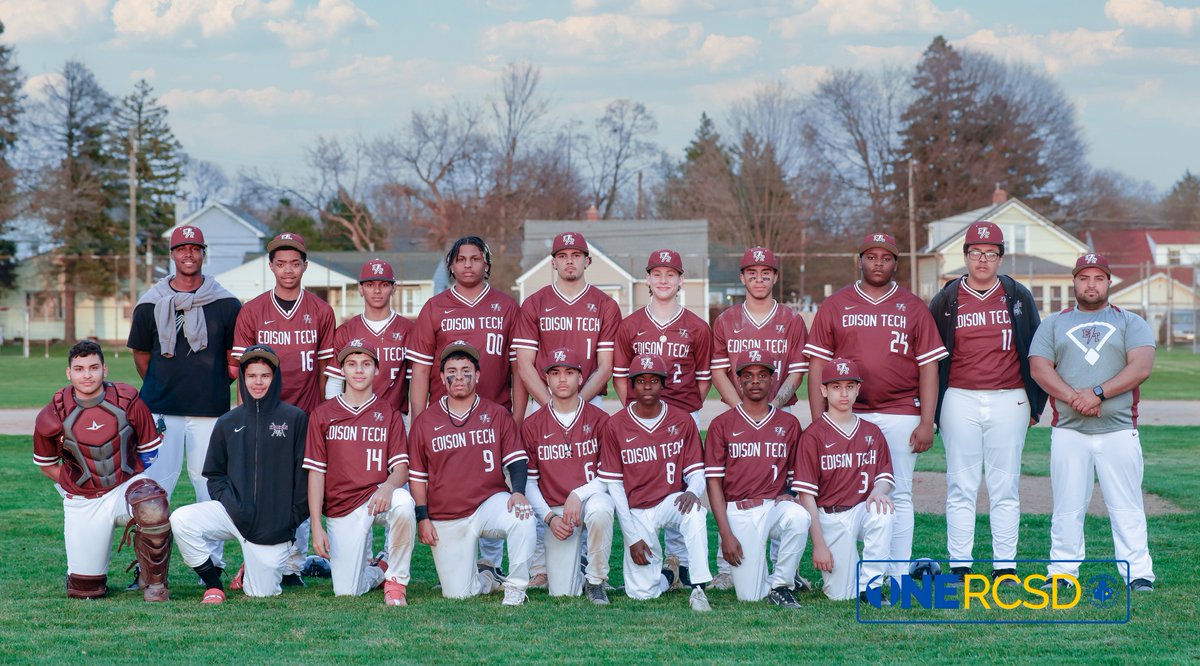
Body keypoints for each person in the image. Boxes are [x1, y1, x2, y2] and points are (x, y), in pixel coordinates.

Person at [804, 232, 947, 582]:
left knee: (897, 491)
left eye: (885, 257)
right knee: (846, 492)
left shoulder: (913, 306)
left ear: (895, 263)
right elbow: (816, 367)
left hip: (901, 411)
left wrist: (927, 421)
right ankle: (860, 571)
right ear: (860, 261)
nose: (878, 263)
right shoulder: (836, 305)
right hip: (849, 414)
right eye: (871, 257)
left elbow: (929, 366)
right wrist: (818, 421)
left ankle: (894, 573)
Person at [1029, 253, 1156, 593]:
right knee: (1067, 506)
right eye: (1084, 278)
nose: (1091, 284)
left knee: (1126, 505)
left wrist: (1097, 393)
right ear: (1074, 281)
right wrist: (1076, 399)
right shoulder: (1053, 323)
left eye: (1098, 278)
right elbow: (1040, 368)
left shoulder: (1131, 321)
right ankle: (1062, 572)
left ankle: (1138, 573)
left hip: (1119, 430)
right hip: (1069, 431)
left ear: (1109, 282)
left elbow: (1141, 366)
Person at [929, 221, 1046, 583]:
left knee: (1005, 486)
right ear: (965, 256)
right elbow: (931, 357)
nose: (982, 260)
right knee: (961, 485)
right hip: (959, 398)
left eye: (990, 254)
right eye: (976, 253)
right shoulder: (947, 298)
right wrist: (932, 409)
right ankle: (961, 565)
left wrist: (1034, 404)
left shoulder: (1017, 295)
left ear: (1000, 258)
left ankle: (1004, 567)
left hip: (1009, 397)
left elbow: (1036, 349)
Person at [406, 236, 524, 580]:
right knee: (454, 484)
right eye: (461, 259)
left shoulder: (505, 306)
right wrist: (418, 418)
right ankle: (465, 557)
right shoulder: (435, 307)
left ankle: (490, 562)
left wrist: (515, 417)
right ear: (451, 266)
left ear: (487, 264)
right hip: (446, 416)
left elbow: (518, 368)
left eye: (475, 258)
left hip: (495, 412)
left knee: (495, 484)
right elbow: (421, 370)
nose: (468, 264)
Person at [231, 232, 336, 582]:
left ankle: (295, 561)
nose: (288, 270)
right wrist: (245, 419)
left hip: (305, 413)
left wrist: (324, 414)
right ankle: (265, 556)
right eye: (281, 264)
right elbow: (243, 372)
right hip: (263, 413)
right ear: (271, 266)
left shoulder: (321, 310)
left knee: (302, 485)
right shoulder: (252, 311)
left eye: (295, 263)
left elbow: (325, 371)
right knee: (263, 484)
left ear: (305, 266)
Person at [169, 345, 308, 604]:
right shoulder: (228, 422)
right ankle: (213, 583)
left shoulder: (295, 419)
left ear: (275, 378)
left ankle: (248, 571)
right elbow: (214, 473)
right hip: (233, 514)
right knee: (182, 520)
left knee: (261, 593)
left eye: (264, 375)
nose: (258, 382)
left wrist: (290, 519)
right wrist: (233, 505)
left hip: (274, 526)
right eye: (251, 375)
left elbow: (306, 477)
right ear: (243, 379)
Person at [34, 340, 171, 601]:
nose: (87, 375)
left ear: (104, 370)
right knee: (86, 591)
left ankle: (154, 582)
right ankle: (88, 577)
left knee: (151, 503)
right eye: (80, 368)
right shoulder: (53, 412)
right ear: (69, 373)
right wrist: (72, 482)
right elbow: (45, 462)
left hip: (123, 487)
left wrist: (135, 479)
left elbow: (149, 449)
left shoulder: (127, 399)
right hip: (84, 500)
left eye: (93, 367)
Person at [613, 249, 712, 589]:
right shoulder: (631, 326)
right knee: (651, 482)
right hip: (641, 416)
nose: (664, 280)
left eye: (671, 274)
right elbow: (621, 376)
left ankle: (681, 563)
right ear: (648, 279)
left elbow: (704, 376)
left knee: (682, 487)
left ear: (681, 280)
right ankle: (666, 560)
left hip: (681, 414)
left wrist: (689, 407)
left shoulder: (698, 327)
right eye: (658, 274)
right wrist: (632, 410)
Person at [408, 342, 536, 606]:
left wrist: (519, 492)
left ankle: (515, 588)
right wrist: (423, 517)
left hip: (489, 503)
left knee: (522, 515)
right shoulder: (425, 421)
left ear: (477, 376)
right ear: (442, 378)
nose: (459, 377)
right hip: (447, 514)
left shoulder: (497, 414)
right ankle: (486, 577)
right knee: (458, 594)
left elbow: (517, 460)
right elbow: (418, 476)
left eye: (466, 371)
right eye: (452, 371)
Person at [128, 224, 240, 503]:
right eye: (182, 249)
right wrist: (164, 380)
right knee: (153, 489)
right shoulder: (150, 304)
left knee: (210, 488)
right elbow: (141, 355)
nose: (188, 254)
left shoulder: (226, 303)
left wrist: (210, 383)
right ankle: (155, 547)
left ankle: (210, 550)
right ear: (172, 255)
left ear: (204, 254)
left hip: (210, 411)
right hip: (160, 409)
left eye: (195, 249)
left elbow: (233, 358)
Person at [597, 353, 713, 612]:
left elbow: (696, 471)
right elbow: (615, 488)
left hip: (669, 501)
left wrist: (693, 491)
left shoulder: (682, 420)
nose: (647, 385)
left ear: (663, 384)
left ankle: (698, 587)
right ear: (632, 385)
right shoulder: (615, 425)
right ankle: (667, 577)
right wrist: (632, 538)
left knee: (695, 511)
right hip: (637, 509)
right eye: (640, 380)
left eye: (654, 380)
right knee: (641, 595)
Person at [306, 342, 415, 605]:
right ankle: (380, 570)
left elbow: (401, 468)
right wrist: (316, 526)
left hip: (378, 497)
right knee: (346, 591)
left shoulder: (388, 413)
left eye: (366, 364)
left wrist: (388, 486)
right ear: (341, 370)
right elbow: (316, 473)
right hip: (341, 506)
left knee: (404, 503)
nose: (359, 371)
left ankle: (397, 581)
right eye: (352, 365)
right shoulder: (323, 414)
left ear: (376, 370)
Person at [704, 353, 809, 607]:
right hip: (739, 512)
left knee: (798, 517)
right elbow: (713, 484)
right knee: (750, 596)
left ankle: (782, 584)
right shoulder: (721, 425)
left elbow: (799, 474)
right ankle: (776, 579)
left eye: (762, 375)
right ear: (738, 381)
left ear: (773, 380)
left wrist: (792, 495)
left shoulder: (789, 423)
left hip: (773, 506)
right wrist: (725, 533)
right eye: (748, 376)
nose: (755, 381)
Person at [791, 358, 895, 602]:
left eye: (850, 386)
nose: (844, 393)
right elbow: (807, 496)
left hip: (861, 509)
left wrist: (879, 490)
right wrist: (819, 545)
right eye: (836, 387)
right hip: (831, 517)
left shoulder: (871, 432)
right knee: (840, 596)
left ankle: (872, 587)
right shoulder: (813, 436)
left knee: (883, 511)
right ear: (823, 390)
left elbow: (885, 477)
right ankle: (850, 574)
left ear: (858, 389)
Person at [522, 348, 614, 603]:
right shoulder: (533, 424)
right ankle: (579, 564)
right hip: (556, 511)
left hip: (589, 499)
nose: (562, 379)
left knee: (601, 509)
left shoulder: (601, 420)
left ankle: (596, 580)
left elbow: (609, 476)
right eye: (555, 373)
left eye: (569, 372)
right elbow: (529, 482)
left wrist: (578, 493)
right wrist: (550, 518)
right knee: (563, 591)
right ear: (547, 379)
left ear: (581, 378)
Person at [513, 231, 621, 408]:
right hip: (544, 400)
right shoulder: (534, 303)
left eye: (576, 255)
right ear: (553, 263)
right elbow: (524, 364)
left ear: (587, 261)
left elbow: (606, 366)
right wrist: (551, 406)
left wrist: (576, 405)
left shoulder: (606, 305)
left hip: (590, 400)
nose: (569, 261)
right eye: (562, 256)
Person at [711, 246, 808, 411]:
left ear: (775, 277)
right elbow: (718, 373)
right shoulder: (725, 320)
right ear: (742, 277)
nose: (759, 279)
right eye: (752, 273)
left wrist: (774, 407)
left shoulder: (792, 320)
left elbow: (796, 373)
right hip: (737, 409)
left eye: (765, 273)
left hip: (780, 410)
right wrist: (740, 409)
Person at [324, 259, 413, 415]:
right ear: (360, 288)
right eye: (370, 285)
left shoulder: (409, 330)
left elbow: (418, 381)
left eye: (384, 285)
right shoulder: (346, 331)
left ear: (394, 288)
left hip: (396, 417)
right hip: (353, 418)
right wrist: (337, 419)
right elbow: (335, 383)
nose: (377, 291)